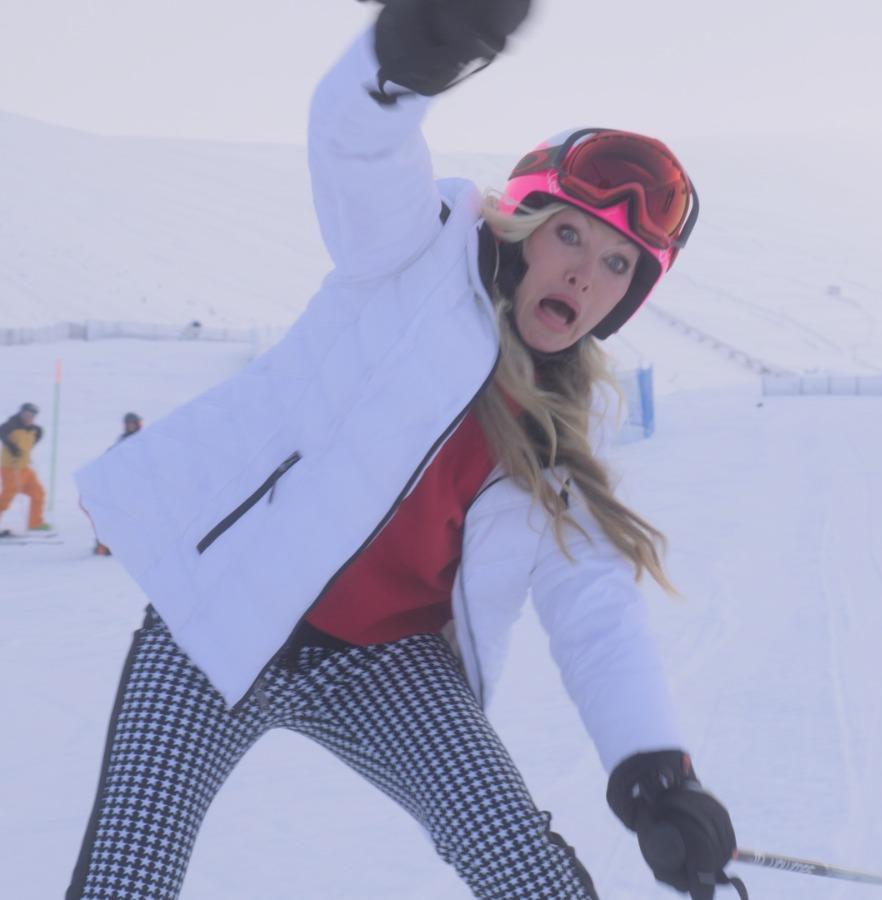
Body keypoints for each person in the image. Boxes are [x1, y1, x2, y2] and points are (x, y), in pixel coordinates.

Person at [67, 4, 738, 899]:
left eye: (618, 264)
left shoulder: (563, 427)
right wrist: (400, 66)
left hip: (388, 666)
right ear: (521, 226)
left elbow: (593, 605)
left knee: (536, 880)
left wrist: (656, 771)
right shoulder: (415, 255)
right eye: (570, 233)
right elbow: (357, 156)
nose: (583, 272)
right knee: (125, 881)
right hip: (224, 620)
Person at [90, 414, 144, 555]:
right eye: (128, 423)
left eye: (133, 423)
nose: (130, 426)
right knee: (112, 515)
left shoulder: (143, 439)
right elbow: (112, 457)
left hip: (137, 487)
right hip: (121, 485)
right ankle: (105, 545)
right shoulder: (122, 440)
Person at [0, 401, 50, 533]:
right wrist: (12, 447)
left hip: (25, 468)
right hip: (11, 468)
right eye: (27, 414)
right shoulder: (11, 425)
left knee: (38, 493)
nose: (29, 417)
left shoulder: (34, 429)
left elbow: (35, 439)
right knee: (7, 497)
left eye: (32, 415)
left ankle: (35, 523)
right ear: (21, 413)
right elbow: (2, 432)